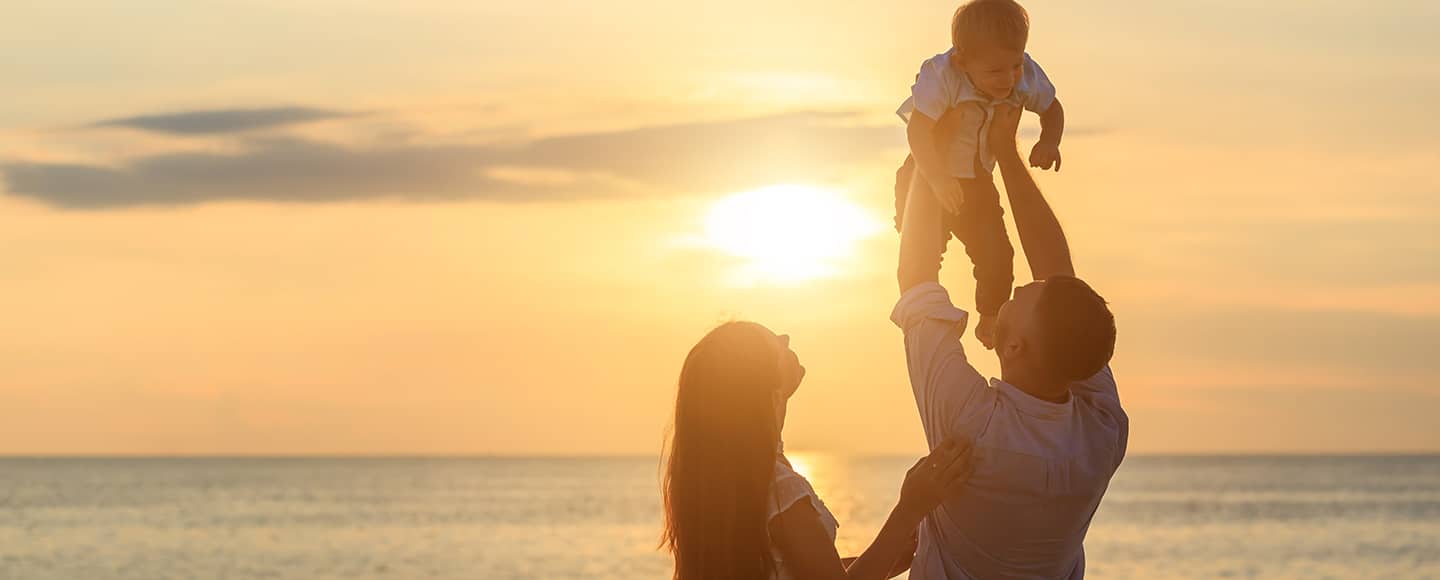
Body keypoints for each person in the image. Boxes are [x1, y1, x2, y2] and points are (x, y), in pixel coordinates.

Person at [892, 101, 1125, 579]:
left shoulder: (972, 426)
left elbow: (916, 278)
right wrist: (1004, 149)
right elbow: (1061, 283)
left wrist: (931, 162)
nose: (1019, 287)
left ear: (1015, 347)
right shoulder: (1102, 432)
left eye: (1021, 298)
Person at [661, 321, 972, 580]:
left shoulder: (740, 479)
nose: (785, 337)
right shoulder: (781, 490)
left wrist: (888, 552)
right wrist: (910, 509)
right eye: (770, 341)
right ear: (760, 381)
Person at [894, 0, 1066, 348]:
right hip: (925, 173)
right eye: (995, 71)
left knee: (998, 255)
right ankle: (921, 319)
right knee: (924, 253)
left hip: (977, 183)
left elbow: (1053, 108)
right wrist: (937, 180)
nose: (1008, 79)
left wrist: (1050, 141)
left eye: (1015, 65)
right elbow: (918, 133)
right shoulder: (942, 75)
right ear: (962, 61)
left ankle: (991, 315)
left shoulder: (1022, 73)